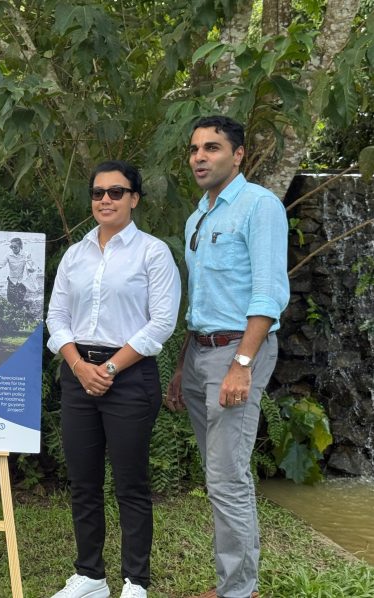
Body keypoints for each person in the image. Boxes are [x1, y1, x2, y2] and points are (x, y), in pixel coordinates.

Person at [165, 115, 289, 598]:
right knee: (219, 473)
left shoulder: (259, 206)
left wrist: (242, 364)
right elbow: (200, 300)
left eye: (212, 148)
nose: (200, 157)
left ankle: (239, 591)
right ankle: (233, 586)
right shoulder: (200, 214)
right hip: (200, 353)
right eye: (194, 149)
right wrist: (182, 365)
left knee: (226, 476)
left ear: (238, 155)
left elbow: (268, 292)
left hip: (239, 353)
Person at [46, 160, 181, 598]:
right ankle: (90, 576)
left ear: (134, 198)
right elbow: (57, 318)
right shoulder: (75, 254)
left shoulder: (153, 253)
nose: (105, 199)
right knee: (84, 482)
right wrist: (80, 366)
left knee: (130, 484)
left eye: (116, 192)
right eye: (98, 192)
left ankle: (135, 582)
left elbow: (161, 323)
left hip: (128, 377)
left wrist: (107, 369)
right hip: (78, 376)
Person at [0, 237, 37, 305]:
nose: (13, 249)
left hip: (22, 281)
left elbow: (31, 266)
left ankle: (26, 306)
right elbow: (0, 265)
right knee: (10, 301)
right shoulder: (8, 255)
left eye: (15, 247)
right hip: (12, 280)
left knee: (20, 301)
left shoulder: (26, 254)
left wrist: (31, 269)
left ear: (20, 246)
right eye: (11, 247)